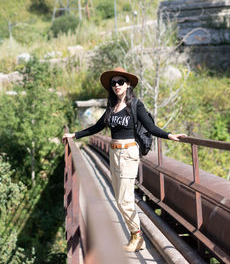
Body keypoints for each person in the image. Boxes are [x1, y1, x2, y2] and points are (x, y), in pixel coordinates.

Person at [63, 67, 186, 252]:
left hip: (128, 154)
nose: (117, 85)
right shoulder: (112, 107)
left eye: (120, 82)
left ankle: (137, 237)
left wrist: (169, 135)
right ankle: (135, 236)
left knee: (124, 200)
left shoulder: (135, 105)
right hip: (114, 153)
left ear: (128, 85)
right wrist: (75, 135)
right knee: (119, 198)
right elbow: (97, 127)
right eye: (113, 83)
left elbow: (150, 127)